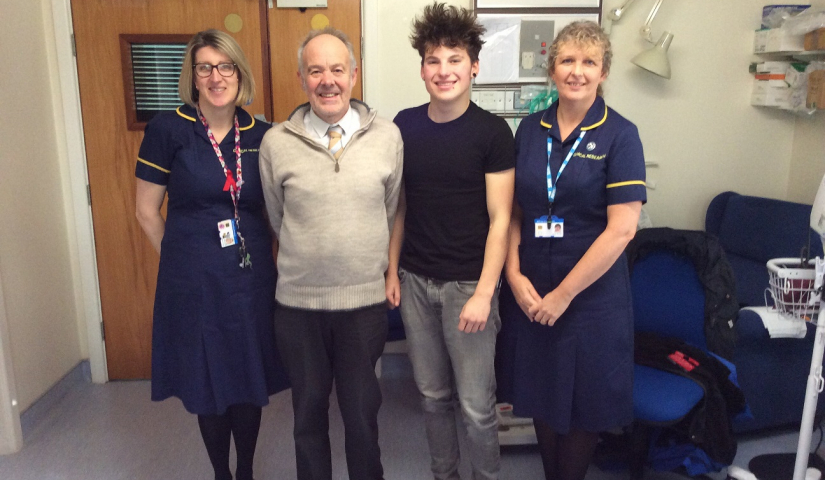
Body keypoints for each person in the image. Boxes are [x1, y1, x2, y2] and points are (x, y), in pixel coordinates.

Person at [134, 29, 289, 480]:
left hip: (251, 276)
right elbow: (146, 211)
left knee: (245, 375)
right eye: (205, 67)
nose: (216, 77)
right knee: (208, 378)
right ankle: (222, 473)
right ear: (193, 76)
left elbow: (276, 210)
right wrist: (183, 259)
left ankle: (245, 472)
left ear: (240, 74)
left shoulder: (263, 134)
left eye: (226, 67)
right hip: (194, 281)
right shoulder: (169, 129)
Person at [500, 20, 646, 480]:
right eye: (567, 60)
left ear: (603, 73)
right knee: (543, 393)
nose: (577, 71)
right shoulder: (529, 130)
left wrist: (564, 294)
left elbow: (622, 230)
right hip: (532, 288)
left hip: (589, 297)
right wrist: (514, 275)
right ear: (552, 68)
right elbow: (515, 212)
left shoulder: (620, 135)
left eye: (589, 62)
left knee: (583, 404)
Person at [258, 27, 403, 480]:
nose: (328, 81)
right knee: (307, 417)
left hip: (363, 304)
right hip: (299, 307)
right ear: (301, 79)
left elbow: (393, 210)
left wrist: (387, 271)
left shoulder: (387, 137)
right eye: (315, 70)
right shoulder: (276, 143)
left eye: (337, 69)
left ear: (354, 75)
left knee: (362, 416)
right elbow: (277, 218)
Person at [385, 3, 515, 479]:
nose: (444, 71)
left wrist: (485, 293)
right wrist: (392, 270)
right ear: (422, 68)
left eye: (455, 59)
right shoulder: (404, 125)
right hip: (416, 281)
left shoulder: (493, 132)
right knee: (433, 397)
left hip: (468, 287)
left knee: (477, 406)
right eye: (433, 60)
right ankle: (445, 473)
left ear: (474, 66)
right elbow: (400, 207)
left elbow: (501, 220)